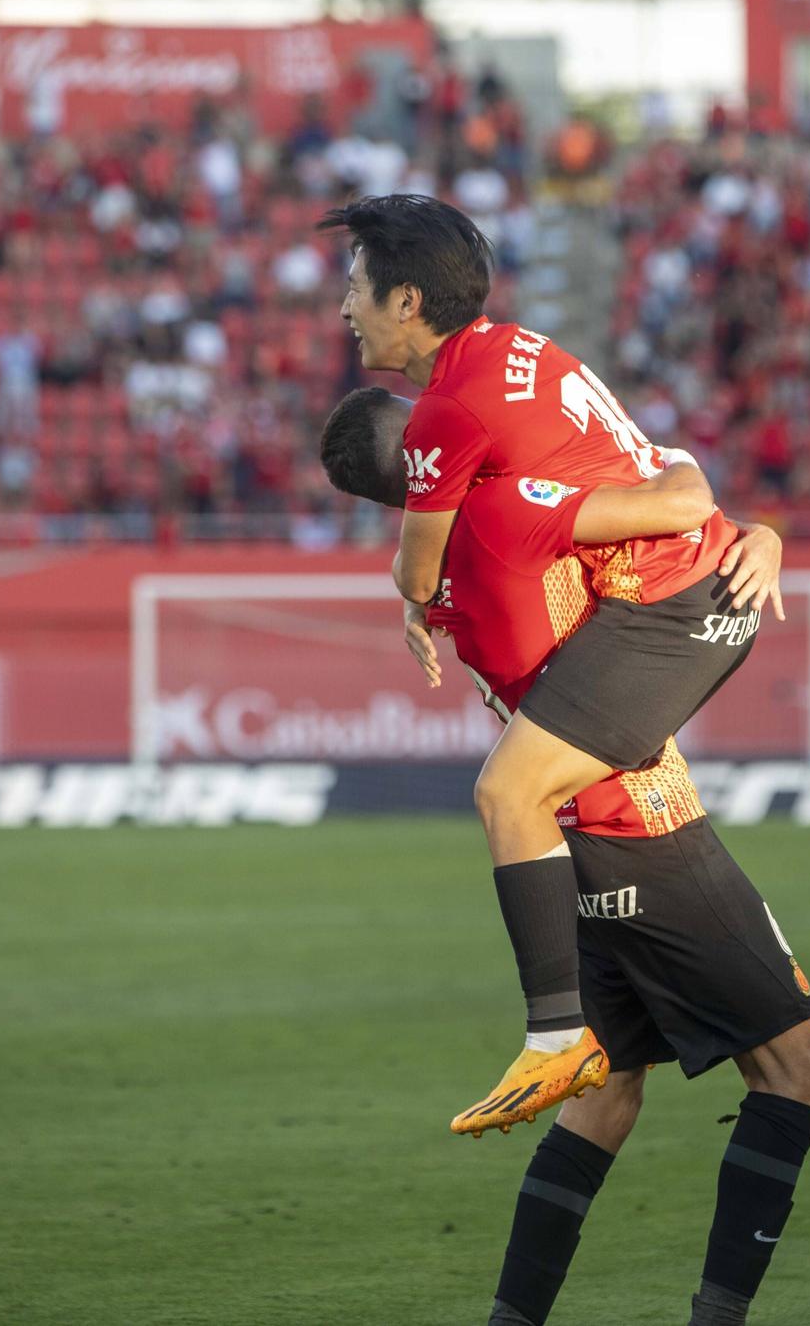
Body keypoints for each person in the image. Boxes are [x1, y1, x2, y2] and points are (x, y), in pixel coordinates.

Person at [319, 388, 810, 1326]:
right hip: (640, 818)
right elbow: (679, 499)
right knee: (799, 1069)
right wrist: (757, 533)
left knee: (605, 1093)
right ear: (425, 453)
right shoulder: (510, 509)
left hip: (566, 846)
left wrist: (751, 534)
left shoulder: (429, 574)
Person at [319, 194, 767, 1136]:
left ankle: (555, 1032)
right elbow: (665, 469)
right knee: (761, 1073)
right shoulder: (522, 350)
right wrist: (748, 529)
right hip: (693, 580)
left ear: (407, 301)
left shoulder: (454, 438)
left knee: (505, 792)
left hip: (669, 611)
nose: (343, 305)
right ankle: (567, 1044)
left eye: (354, 284)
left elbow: (419, 565)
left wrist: (407, 593)